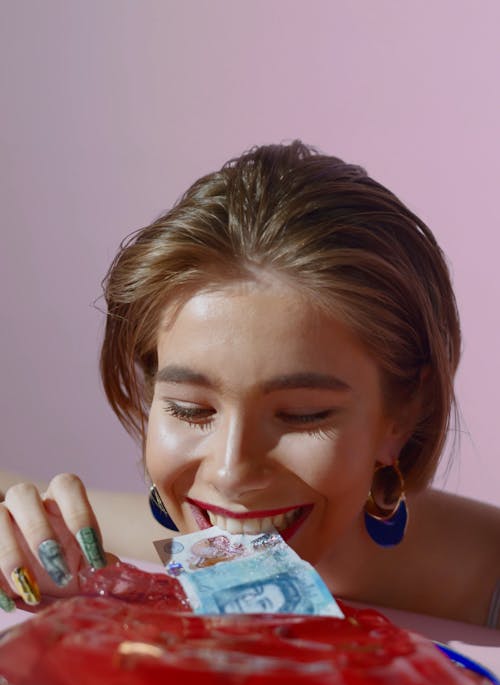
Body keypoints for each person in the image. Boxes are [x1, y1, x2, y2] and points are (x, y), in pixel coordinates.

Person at [1, 141, 499, 627]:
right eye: (191, 409)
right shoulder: (202, 540)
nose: (231, 472)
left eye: (303, 414)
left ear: (404, 412)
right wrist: (24, 529)